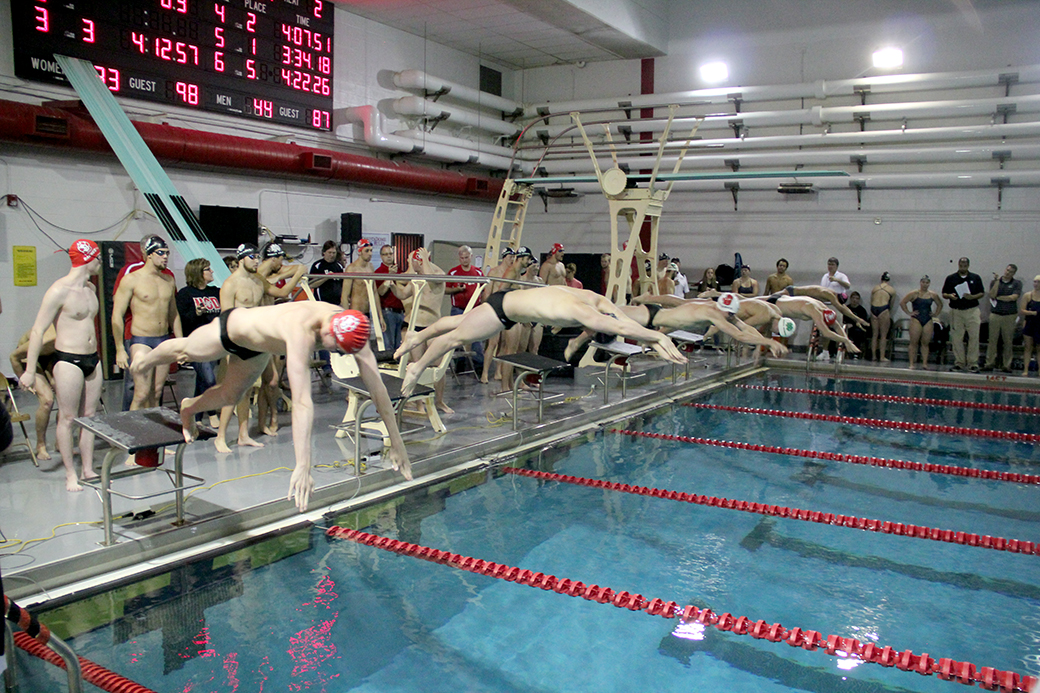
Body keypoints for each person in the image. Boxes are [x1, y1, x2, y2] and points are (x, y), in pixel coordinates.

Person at [130, 303, 411, 511]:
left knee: (229, 396)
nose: (328, 348)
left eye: (335, 348)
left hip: (258, 349)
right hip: (232, 330)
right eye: (329, 343)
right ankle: (145, 358)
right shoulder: (300, 329)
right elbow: (302, 402)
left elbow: (379, 391)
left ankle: (189, 409)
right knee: (187, 350)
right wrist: (303, 465)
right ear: (328, 326)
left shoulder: (354, 332)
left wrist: (397, 443)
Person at [393, 286, 688, 397]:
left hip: (505, 302)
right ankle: (417, 367)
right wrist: (658, 336)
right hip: (502, 312)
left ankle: (418, 335)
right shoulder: (581, 312)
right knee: (455, 337)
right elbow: (611, 323)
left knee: (458, 322)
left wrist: (653, 340)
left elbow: (619, 318)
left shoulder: (596, 299)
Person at [19, 240, 103, 491]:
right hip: (68, 359)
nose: (100, 263)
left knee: (90, 417)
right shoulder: (59, 290)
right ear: (88, 259)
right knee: (68, 418)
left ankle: (87, 469)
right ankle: (70, 474)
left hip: (92, 358)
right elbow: (38, 329)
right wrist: (30, 371)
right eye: (97, 258)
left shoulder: (90, 289)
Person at [215, 243, 303, 452]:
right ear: (241, 259)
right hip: (240, 342)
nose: (257, 261)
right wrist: (231, 348)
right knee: (237, 390)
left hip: (259, 340)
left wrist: (297, 274)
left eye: (257, 257)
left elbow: (281, 291)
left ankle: (245, 433)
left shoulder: (258, 280)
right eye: (252, 257)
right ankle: (221, 437)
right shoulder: (230, 285)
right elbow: (225, 320)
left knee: (271, 381)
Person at [578, 293, 789, 359]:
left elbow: (744, 328)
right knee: (601, 315)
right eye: (730, 314)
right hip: (649, 316)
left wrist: (766, 342)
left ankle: (575, 326)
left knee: (605, 317)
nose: (732, 317)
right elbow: (739, 335)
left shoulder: (715, 307)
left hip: (654, 319)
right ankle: (570, 324)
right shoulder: (710, 312)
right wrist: (767, 340)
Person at [111, 236, 182, 410]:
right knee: (141, 393)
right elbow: (116, 315)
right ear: (149, 255)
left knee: (157, 392)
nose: (165, 257)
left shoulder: (169, 280)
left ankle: (153, 432)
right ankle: (133, 433)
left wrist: (181, 342)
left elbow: (174, 314)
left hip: (163, 339)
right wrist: (120, 348)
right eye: (161, 253)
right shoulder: (132, 279)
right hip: (141, 341)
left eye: (167, 253)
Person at [395, 248, 452, 413]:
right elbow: (403, 294)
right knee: (416, 365)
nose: (411, 266)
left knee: (438, 366)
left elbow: (431, 278)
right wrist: (392, 285)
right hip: (416, 326)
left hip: (433, 327)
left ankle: (439, 401)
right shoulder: (416, 277)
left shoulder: (438, 274)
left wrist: (425, 260)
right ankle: (420, 404)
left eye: (413, 261)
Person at [175, 258, 222, 424]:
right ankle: (211, 413)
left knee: (202, 379)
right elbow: (181, 319)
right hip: (196, 341)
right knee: (209, 379)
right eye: (208, 269)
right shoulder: (185, 294)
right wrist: (196, 312)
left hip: (214, 341)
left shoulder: (216, 292)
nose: (212, 272)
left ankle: (195, 415)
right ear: (198, 273)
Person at [10, 325, 58, 460]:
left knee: (67, 398)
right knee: (47, 401)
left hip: (51, 356)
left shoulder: (77, 335)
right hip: (28, 358)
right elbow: (13, 357)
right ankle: (40, 445)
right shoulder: (46, 339)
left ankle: (60, 443)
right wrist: (23, 379)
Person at [766, 295, 862, 354]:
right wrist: (846, 341)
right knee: (772, 329)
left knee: (770, 329)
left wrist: (847, 341)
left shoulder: (824, 308)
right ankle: (758, 350)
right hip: (774, 305)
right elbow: (826, 333)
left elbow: (836, 326)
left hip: (781, 298)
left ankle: (762, 350)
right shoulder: (814, 311)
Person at [941, 257, 986, 372]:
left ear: (968, 266)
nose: (963, 267)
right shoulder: (951, 278)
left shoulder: (975, 278)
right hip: (956, 311)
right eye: (961, 265)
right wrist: (950, 296)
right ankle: (959, 362)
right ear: (958, 265)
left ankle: (973, 363)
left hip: (972, 310)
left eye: (965, 265)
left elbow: (981, 293)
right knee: (957, 338)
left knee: (974, 337)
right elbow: (944, 293)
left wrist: (972, 297)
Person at [446, 245, 485, 369]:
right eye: (462, 258)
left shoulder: (478, 272)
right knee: (458, 337)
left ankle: (479, 364)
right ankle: (459, 364)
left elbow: (483, 290)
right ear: (459, 258)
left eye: (467, 257)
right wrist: (457, 289)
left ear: (471, 257)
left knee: (476, 337)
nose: (464, 260)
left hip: (474, 309)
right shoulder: (453, 272)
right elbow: (445, 289)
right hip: (458, 309)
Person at [984, 263, 1022, 372]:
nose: (1007, 273)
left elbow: (1013, 297)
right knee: (992, 340)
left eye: (1010, 272)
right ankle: (989, 363)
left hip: (1009, 315)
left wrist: (1000, 298)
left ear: (1014, 273)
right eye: (1007, 270)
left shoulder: (1016, 283)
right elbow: (992, 295)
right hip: (995, 314)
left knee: (1008, 341)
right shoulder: (995, 282)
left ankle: (1006, 365)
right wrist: (996, 282)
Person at [900, 276, 944, 370]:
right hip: (916, 319)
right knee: (913, 342)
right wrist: (909, 313)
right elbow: (903, 302)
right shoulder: (914, 293)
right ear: (920, 283)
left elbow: (940, 304)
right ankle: (911, 363)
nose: (925, 284)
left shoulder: (932, 295)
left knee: (925, 343)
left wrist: (935, 314)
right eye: (923, 282)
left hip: (928, 319)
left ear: (929, 284)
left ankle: (924, 363)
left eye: (927, 283)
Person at [341, 239, 383, 329]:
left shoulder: (371, 267)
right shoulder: (352, 269)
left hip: (367, 314)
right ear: (359, 252)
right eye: (367, 251)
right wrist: (346, 318)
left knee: (366, 342)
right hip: (354, 313)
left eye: (371, 250)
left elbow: (375, 293)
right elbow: (344, 296)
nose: (370, 253)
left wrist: (380, 317)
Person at [374, 245, 405, 353]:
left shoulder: (399, 271)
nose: (388, 257)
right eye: (386, 254)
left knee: (399, 346)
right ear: (381, 256)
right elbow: (380, 292)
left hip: (401, 312)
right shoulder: (378, 272)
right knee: (389, 345)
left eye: (390, 254)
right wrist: (389, 276)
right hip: (388, 312)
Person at [869, 272, 897, 362]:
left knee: (874, 335)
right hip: (883, 309)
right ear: (889, 280)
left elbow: (871, 300)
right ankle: (882, 357)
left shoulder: (875, 288)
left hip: (873, 309)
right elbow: (891, 305)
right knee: (883, 336)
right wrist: (886, 312)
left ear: (881, 279)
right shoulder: (892, 290)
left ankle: (873, 356)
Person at [309, 240, 344, 305]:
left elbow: (342, 285)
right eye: (329, 252)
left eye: (334, 253)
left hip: (336, 302)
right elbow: (311, 284)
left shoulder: (339, 266)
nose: (332, 255)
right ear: (324, 252)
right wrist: (326, 277)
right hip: (321, 302)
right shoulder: (317, 265)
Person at [1019, 275, 1040, 377]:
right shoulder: (1028, 295)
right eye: (1035, 282)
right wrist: (1032, 313)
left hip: (1039, 325)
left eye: (1038, 282)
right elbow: (1022, 310)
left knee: (1039, 348)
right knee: (1028, 347)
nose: (1036, 284)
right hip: (1030, 323)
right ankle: (1026, 369)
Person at [843, 291, 871, 358]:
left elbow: (863, 322)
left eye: (857, 298)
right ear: (850, 299)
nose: (855, 300)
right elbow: (843, 319)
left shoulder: (862, 310)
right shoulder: (846, 308)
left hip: (857, 328)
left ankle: (855, 353)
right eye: (853, 298)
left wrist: (854, 325)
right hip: (846, 327)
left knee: (857, 333)